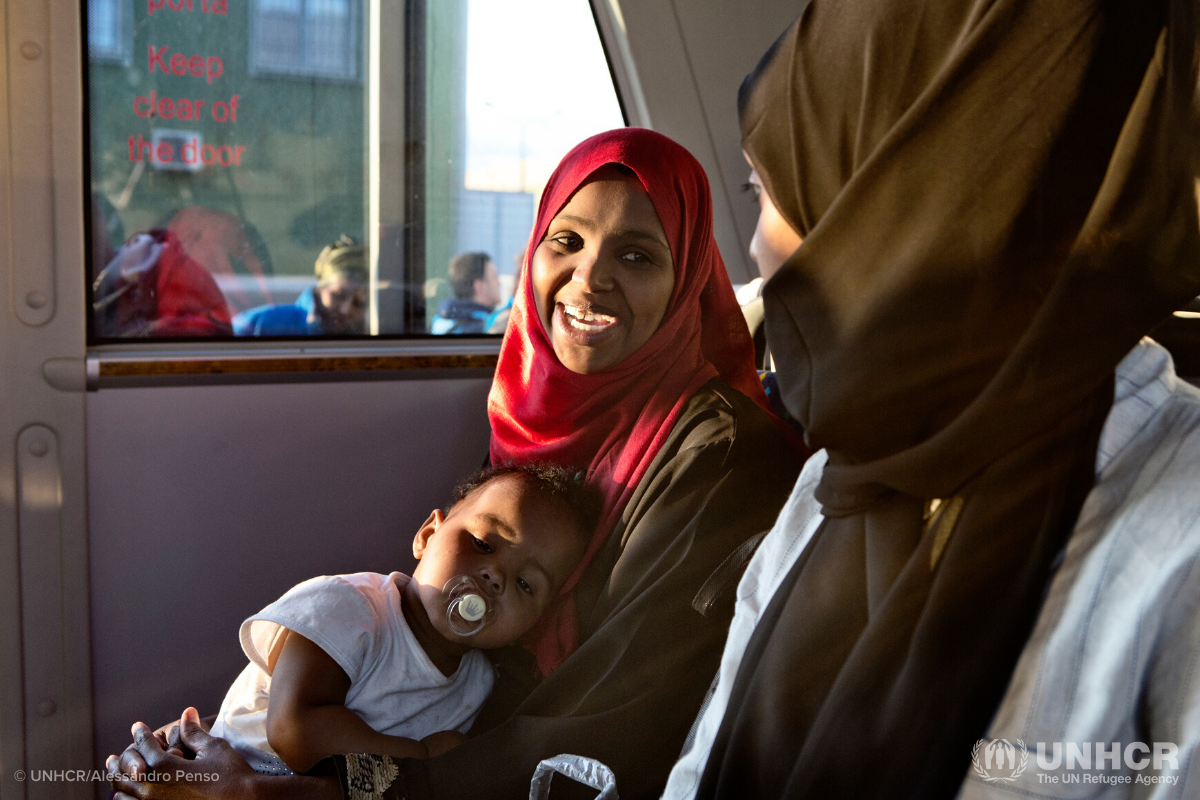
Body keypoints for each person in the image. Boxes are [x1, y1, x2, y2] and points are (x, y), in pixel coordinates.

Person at [108, 128, 803, 800]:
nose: (589, 279)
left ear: (686, 282)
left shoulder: (721, 456)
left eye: (639, 257)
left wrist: (267, 792)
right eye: (567, 241)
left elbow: (614, 726)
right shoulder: (531, 413)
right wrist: (233, 737)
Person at [659, 1, 1200, 799]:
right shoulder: (833, 483)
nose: (753, 249)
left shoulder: (1178, 540)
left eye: (772, 194)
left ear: (907, 204)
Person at [198, 464, 593, 776]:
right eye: (482, 544)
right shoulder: (347, 608)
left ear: (533, 624)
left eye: (525, 584)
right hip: (225, 774)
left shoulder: (479, 687)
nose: (495, 577)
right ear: (427, 535)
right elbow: (295, 732)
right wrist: (419, 755)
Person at [234, 237, 367, 336]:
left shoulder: (374, 342)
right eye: (338, 295)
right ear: (321, 288)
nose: (346, 310)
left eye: (360, 301)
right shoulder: (261, 324)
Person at [430, 251, 502, 334]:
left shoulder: (441, 320)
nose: (499, 283)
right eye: (495, 277)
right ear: (480, 286)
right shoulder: (481, 329)